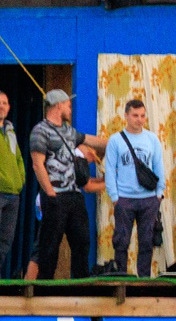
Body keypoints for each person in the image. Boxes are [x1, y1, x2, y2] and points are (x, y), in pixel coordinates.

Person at [28, 89, 93, 279]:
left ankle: (81, 283)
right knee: (50, 246)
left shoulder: (69, 131)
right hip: (55, 195)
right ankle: (45, 286)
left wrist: (116, 141)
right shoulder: (40, 130)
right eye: (68, 104)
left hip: (74, 195)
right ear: (58, 105)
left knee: (82, 241)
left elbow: (89, 139)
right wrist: (50, 194)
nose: (70, 108)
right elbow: (37, 164)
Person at [99, 97, 166, 277]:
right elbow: (111, 170)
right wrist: (114, 197)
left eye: (143, 115)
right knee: (121, 241)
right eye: (135, 115)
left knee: (146, 241)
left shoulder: (152, 139)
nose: (140, 119)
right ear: (126, 116)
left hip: (148, 198)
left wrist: (159, 193)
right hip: (125, 199)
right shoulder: (116, 140)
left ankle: (144, 278)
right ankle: (121, 276)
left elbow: (159, 166)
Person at [0, 88, 24, 271]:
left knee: (5, 241)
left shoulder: (10, 132)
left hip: (13, 195)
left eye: (5, 103)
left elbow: (19, 160)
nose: (2, 106)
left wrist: (20, 180)